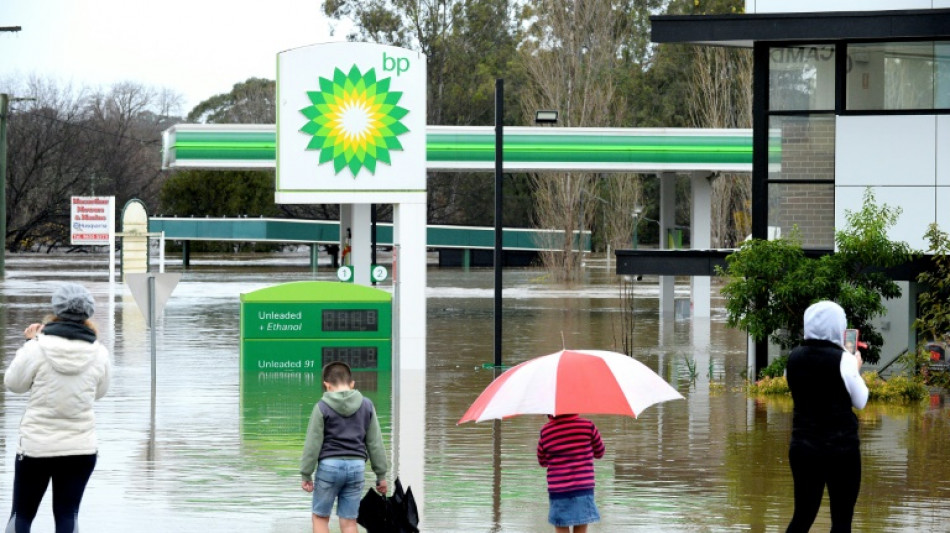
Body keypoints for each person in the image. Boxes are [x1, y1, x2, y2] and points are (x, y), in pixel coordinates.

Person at [3, 283, 111, 533]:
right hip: (81, 448)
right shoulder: (99, 353)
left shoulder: (36, 347)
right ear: (88, 313)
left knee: (21, 515)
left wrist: (29, 342)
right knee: (67, 515)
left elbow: (13, 384)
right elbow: (100, 393)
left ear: (56, 309)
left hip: (36, 448)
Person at [785, 300, 869, 533]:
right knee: (841, 521)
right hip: (841, 450)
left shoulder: (793, 357)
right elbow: (861, 401)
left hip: (802, 448)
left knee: (802, 517)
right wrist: (856, 367)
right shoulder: (844, 360)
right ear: (838, 326)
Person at [300, 361, 388, 533]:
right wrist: (381, 475)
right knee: (349, 522)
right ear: (352, 384)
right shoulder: (367, 405)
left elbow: (313, 444)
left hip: (329, 467)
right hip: (356, 467)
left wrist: (306, 473)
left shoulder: (321, 407)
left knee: (320, 518)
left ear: (326, 385)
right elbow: (375, 443)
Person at [537, 413, 606, 533]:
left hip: (559, 490)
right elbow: (600, 452)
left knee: (561, 525)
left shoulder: (546, 431)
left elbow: (542, 461)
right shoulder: (587, 426)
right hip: (583, 487)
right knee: (581, 524)